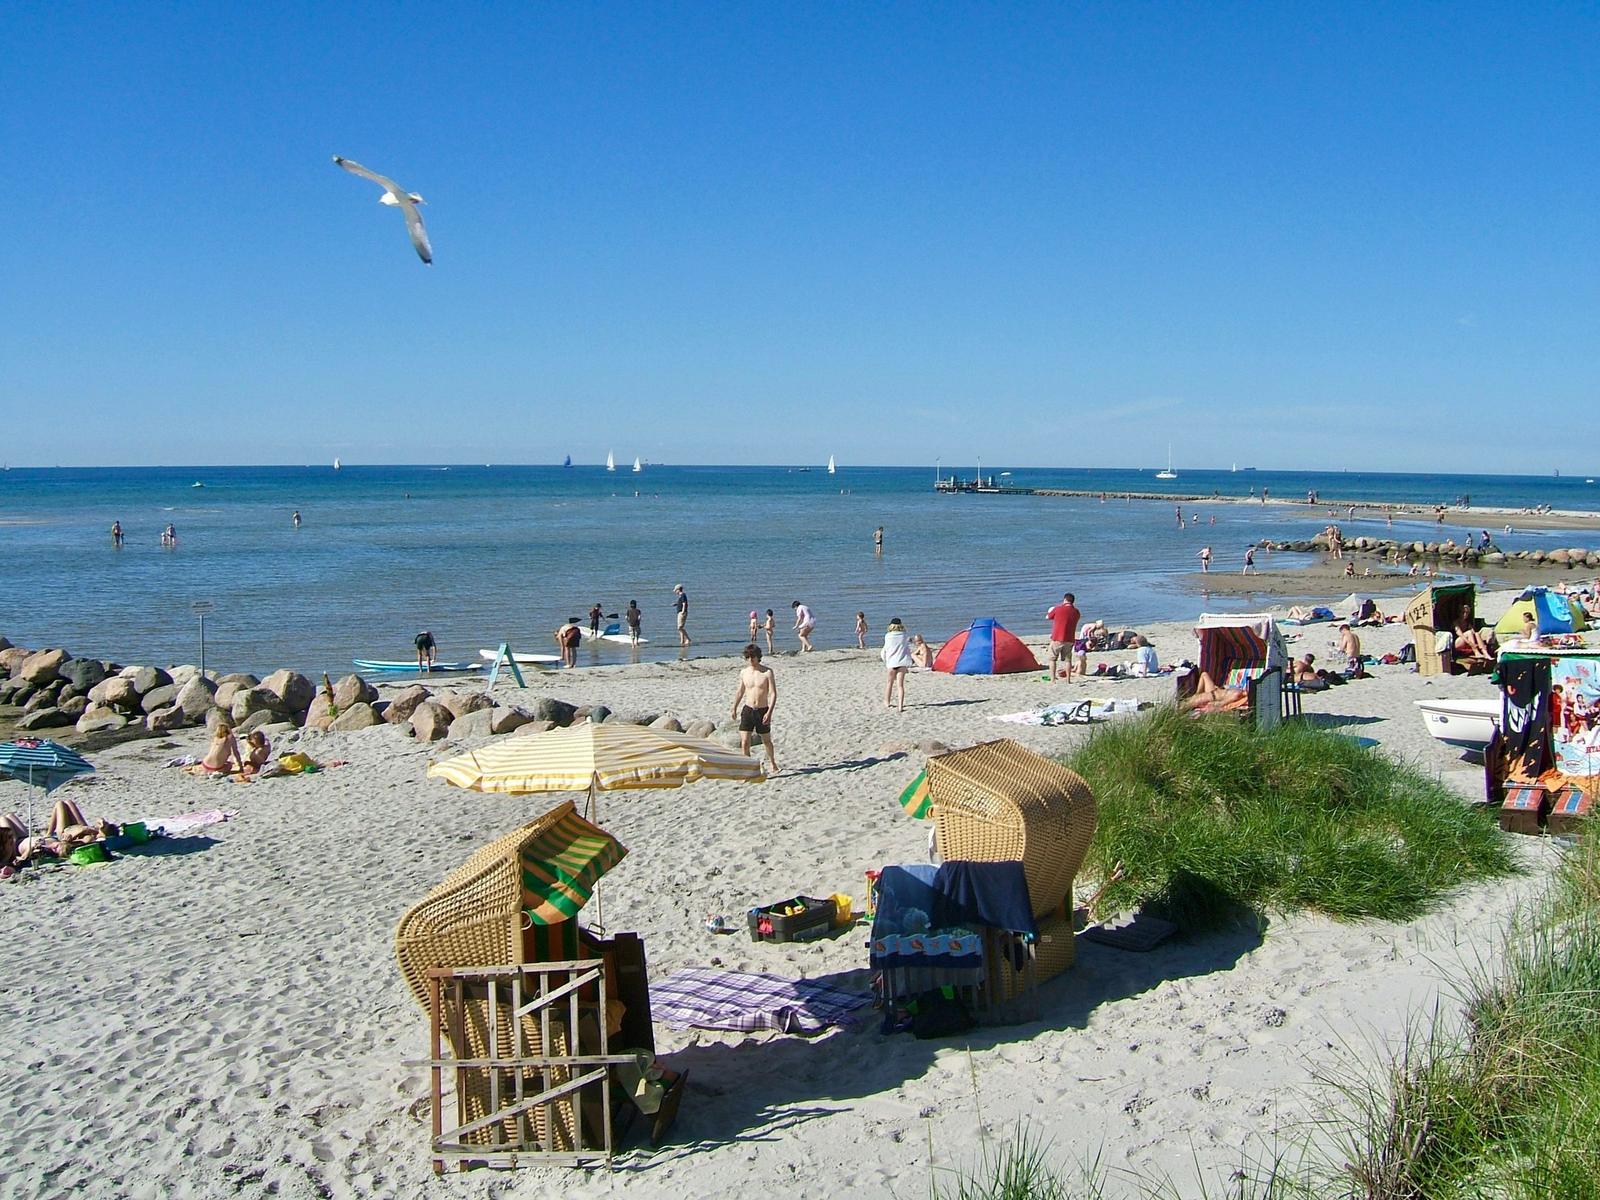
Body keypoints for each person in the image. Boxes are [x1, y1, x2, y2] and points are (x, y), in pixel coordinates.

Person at [730, 644, 778, 771]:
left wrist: (769, 712)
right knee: (745, 742)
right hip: (748, 710)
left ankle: (773, 763)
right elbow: (740, 691)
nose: (750, 660)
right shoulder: (744, 672)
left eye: (753, 657)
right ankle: (748, 767)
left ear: (758, 657)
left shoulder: (767, 672)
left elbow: (773, 693)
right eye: (748, 657)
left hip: (762, 710)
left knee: (766, 741)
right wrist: (734, 707)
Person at [880, 617, 915, 710]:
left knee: (889, 683)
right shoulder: (904, 636)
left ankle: (887, 702)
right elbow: (907, 649)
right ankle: (900, 706)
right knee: (900, 685)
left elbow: (885, 650)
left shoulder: (888, 636)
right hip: (901, 662)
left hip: (892, 662)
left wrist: (885, 660)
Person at [1045, 592, 1080, 683]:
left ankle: (1053, 679)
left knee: (1052, 659)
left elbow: (1049, 616)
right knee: (1068, 660)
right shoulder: (1076, 612)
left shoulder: (1058, 609)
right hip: (1070, 638)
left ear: (1065, 600)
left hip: (1057, 637)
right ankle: (1068, 680)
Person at [1179, 671, 1249, 712]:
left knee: (1190, 702)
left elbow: (1234, 697)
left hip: (1213, 697)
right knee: (1204, 674)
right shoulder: (1241, 691)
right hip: (1214, 692)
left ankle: (1178, 710)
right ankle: (1197, 694)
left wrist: (1219, 704)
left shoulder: (1240, 694)